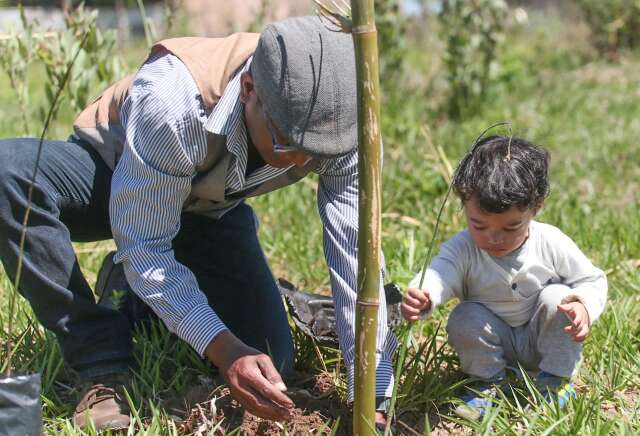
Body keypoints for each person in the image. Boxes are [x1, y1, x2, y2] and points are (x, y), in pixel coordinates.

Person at [0, 16, 396, 431]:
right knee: (9, 175)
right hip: (117, 175)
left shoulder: (345, 127)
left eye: (314, 153)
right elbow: (145, 247)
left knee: (271, 354)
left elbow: (355, 255)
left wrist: (372, 392)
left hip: (207, 208)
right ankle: (100, 360)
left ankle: (130, 291)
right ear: (249, 91)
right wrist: (226, 352)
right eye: (287, 143)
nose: (299, 160)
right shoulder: (173, 100)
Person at [401, 135, 607, 420]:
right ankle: (487, 383)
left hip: (542, 341)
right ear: (464, 203)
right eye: (479, 225)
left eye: (511, 227)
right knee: (464, 315)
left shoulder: (551, 242)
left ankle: (554, 382)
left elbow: (592, 280)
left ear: (536, 207)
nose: (494, 238)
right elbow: (439, 273)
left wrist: (583, 304)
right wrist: (423, 294)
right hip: (493, 343)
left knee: (557, 298)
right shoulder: (463, 249)